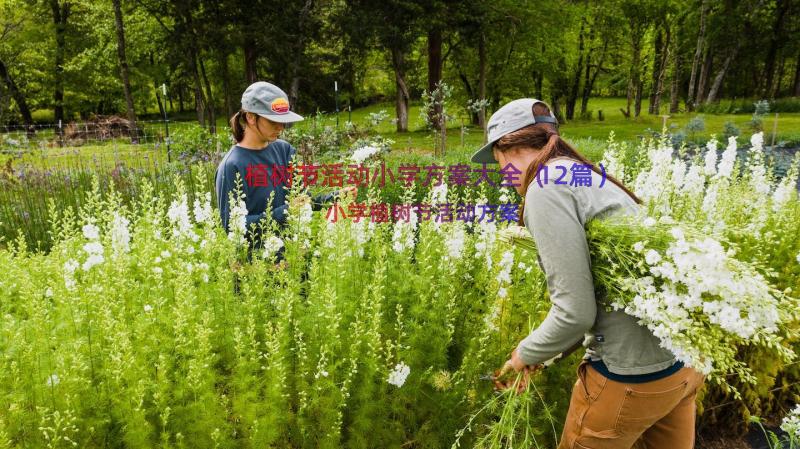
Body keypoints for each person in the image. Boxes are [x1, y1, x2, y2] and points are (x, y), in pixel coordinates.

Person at [471, 99, 705, 449]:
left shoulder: (546, 188)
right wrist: (545, 354)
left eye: (500, 162)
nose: (503, 176)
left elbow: (575, 313)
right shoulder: (582, 172)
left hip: (630, 379)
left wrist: (525, 353)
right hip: (683, 365)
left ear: (512, 146)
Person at [215, 81, 355, 260]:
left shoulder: (284, 150)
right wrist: (284, 212)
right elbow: (231, 227)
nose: (281, 128)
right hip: (257, 270)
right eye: (273, 121)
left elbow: (301, 199)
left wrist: (334, 197)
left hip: (295, 259)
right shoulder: (232, 165)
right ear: (250, 117)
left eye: (283, 122)